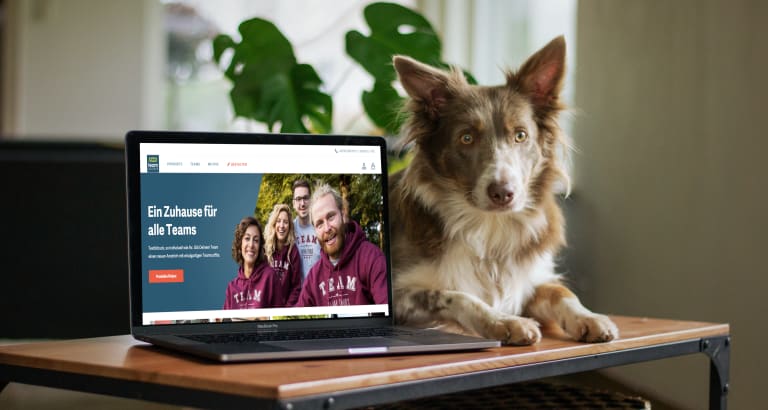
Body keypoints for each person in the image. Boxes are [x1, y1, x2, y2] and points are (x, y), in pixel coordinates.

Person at [295, 183, 388, 307]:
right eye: (319, 224)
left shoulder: (371, 258)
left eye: (331, 217)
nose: (327, 228)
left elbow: (388, 310)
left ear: (343, 215)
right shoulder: (313, 278)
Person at [223, 216, 284, 309]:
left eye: (256, 240)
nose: (251, 245)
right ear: (240, 244)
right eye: (247, 238)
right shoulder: (231, 288)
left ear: (260, 247)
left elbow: (279, 318)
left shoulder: (270, 278)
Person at [264, 204, 302, 306]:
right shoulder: (265, 250)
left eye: (285, 222)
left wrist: (285, 310)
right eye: (278, 221)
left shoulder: (293, 252)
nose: (281, 225)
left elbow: (296, 287)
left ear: (289, 226)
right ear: (273, 224)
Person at [292, 179, 321, 280]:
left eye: (305, 198)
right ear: (293, 203)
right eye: (298, 199)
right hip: (298, 293)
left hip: (319, 290)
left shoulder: (320, 226)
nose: (302, 203)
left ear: (311, 200)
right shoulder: (289, 230)